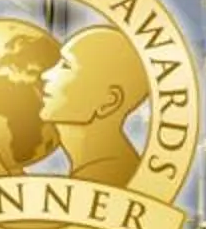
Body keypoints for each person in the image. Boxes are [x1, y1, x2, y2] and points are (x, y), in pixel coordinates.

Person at [38, 24, 150, 187]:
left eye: (65, 66)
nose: (45, 75)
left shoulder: (105, 178)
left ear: (109, 101)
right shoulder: (99, 169)